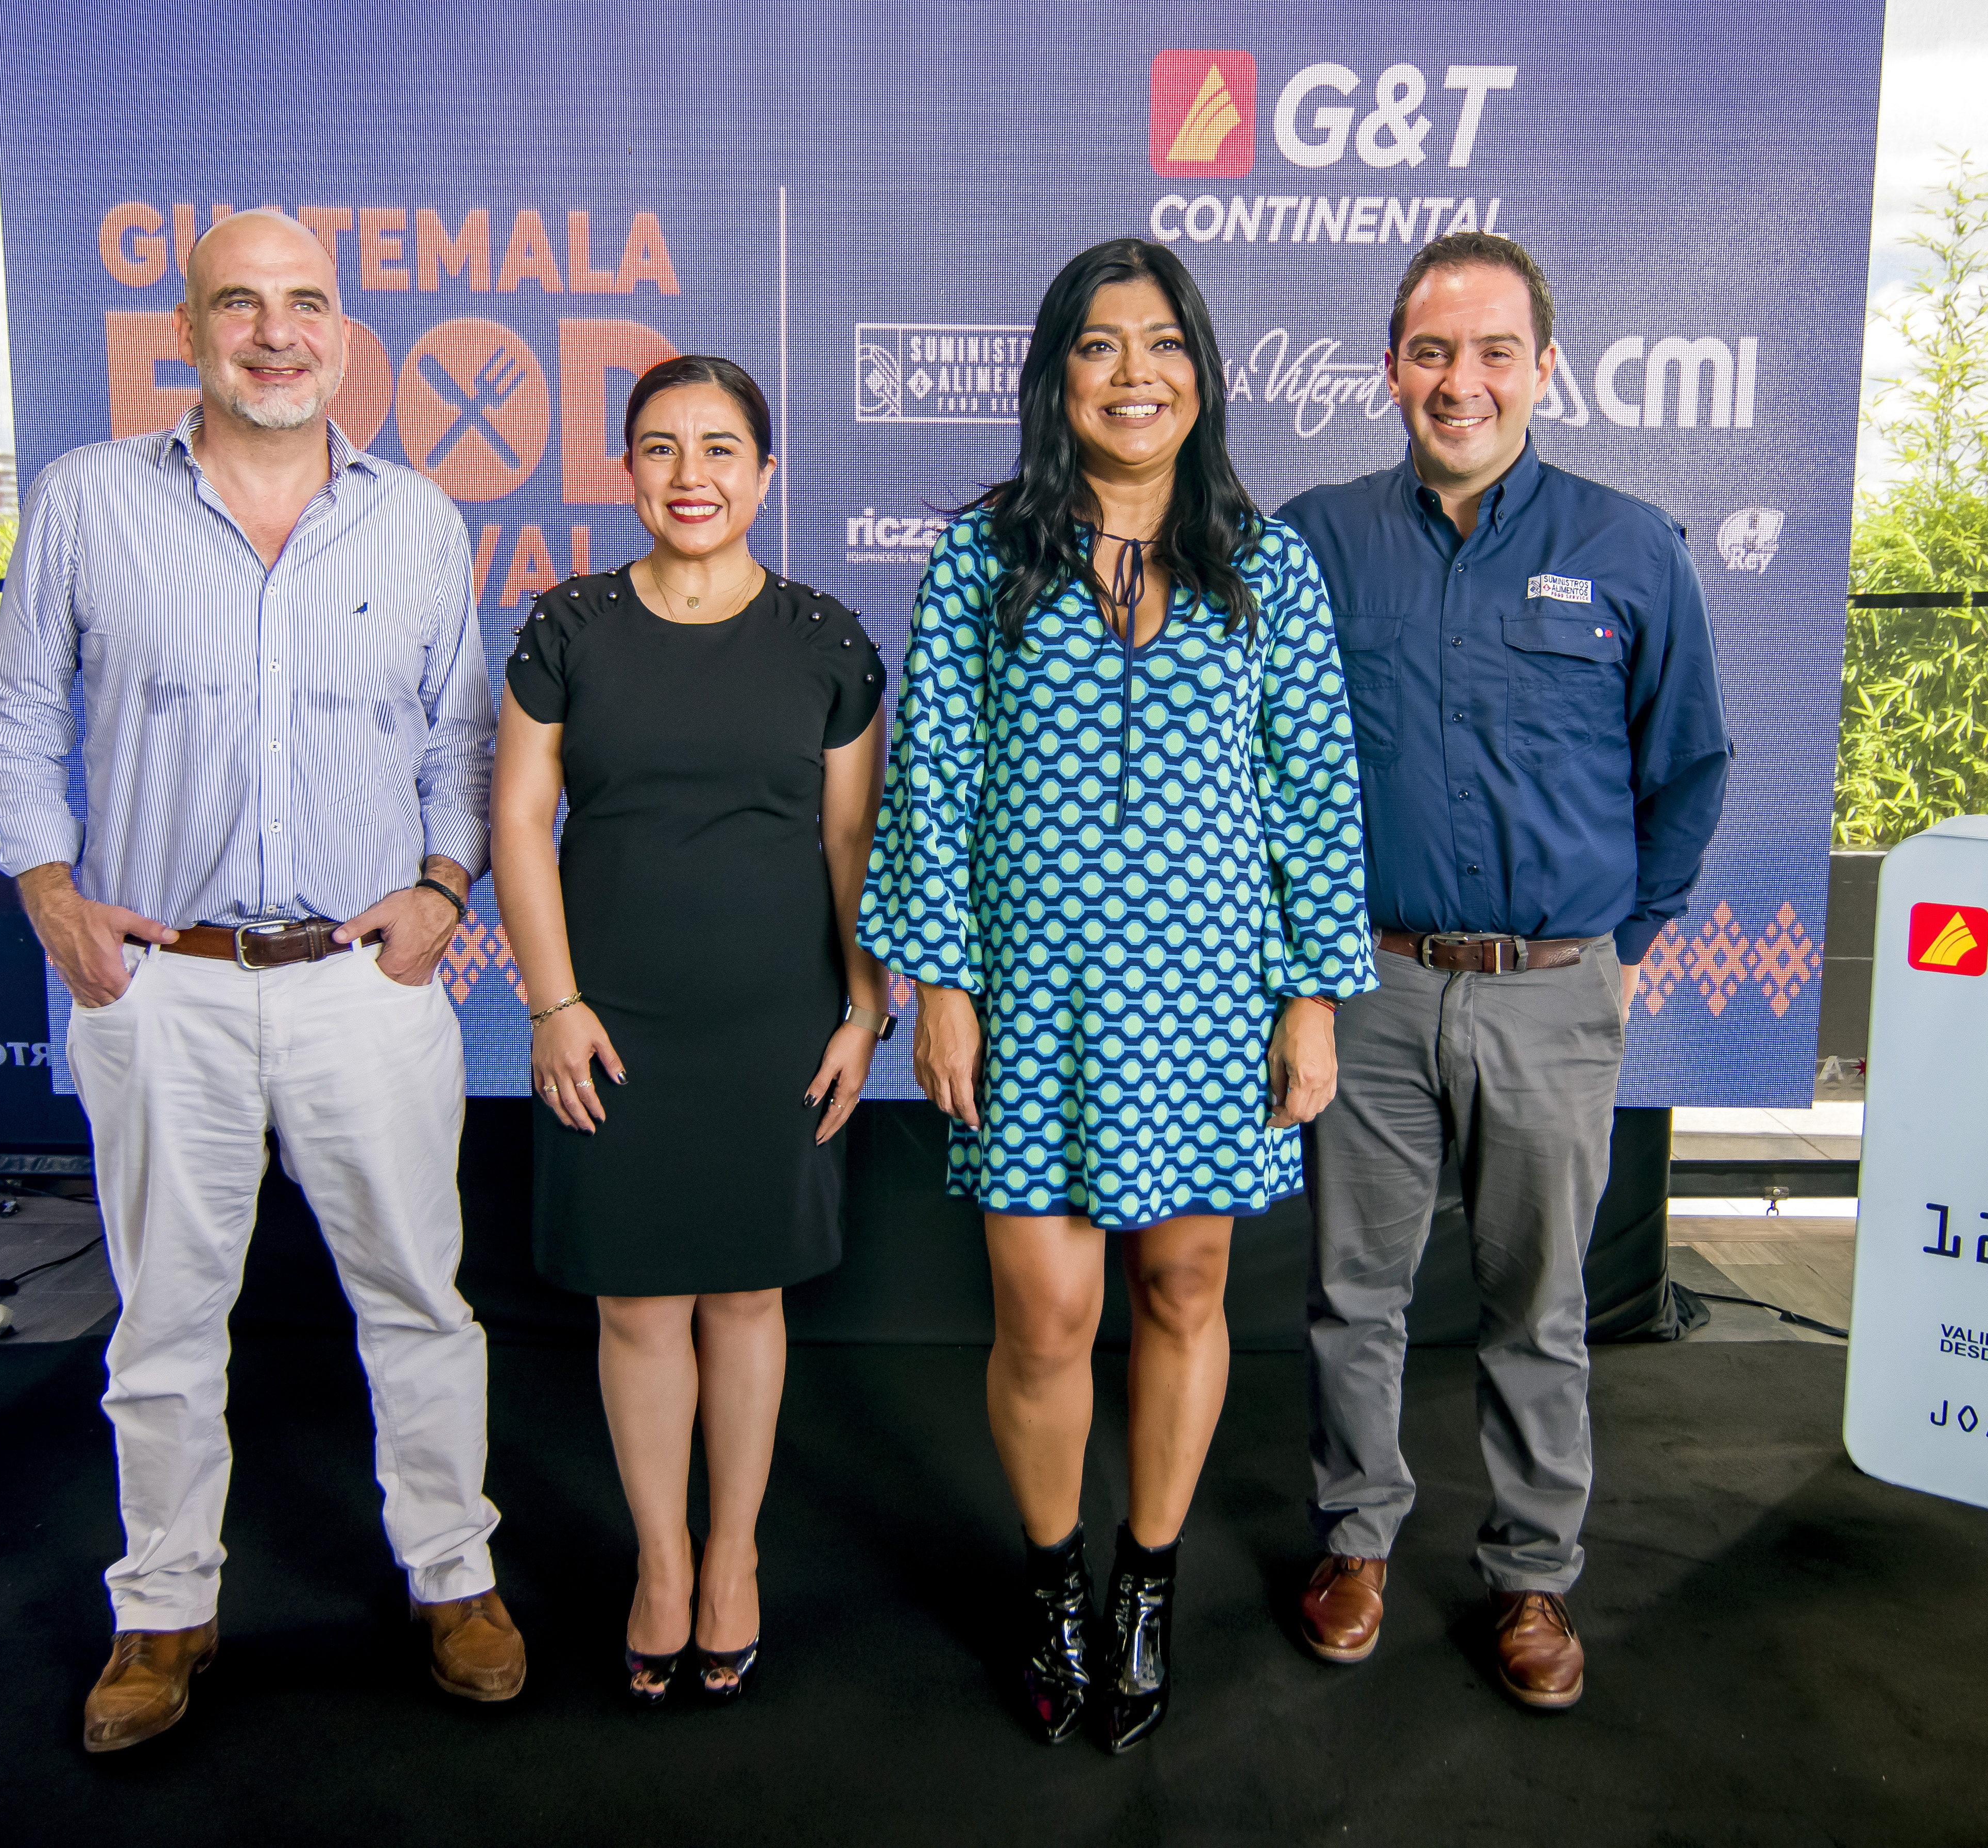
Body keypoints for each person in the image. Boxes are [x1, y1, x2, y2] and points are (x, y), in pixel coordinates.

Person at [0, 210, 518, 1752]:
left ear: (344, 329)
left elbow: (456, 738)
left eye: (305, 306)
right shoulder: (88, 503)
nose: (275, 334)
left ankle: (454, 1577)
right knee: (163, 1316)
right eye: (240, 305)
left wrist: (441, 886)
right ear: (189, 328)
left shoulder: (417, 518)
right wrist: (52, 896)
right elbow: (16, 715)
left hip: (363, 977)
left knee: (418, 1296)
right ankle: (162, 1610)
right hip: (164, 985)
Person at [861, 238, 1376, 1754]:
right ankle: (1050, 1587)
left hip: (1212, 995)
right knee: (1046, 1311)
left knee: (1186, 1289)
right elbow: (931, 787)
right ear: (1056, 375)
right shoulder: (982, 556)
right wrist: (939, 981)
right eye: (1099, 345)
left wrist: (1313, 997)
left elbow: (1313, 793)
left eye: (1162, 345)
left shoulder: (1265, 563)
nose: (1133, 373)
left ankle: (1145, 1580)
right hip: (1030, 997)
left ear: (1202, 377)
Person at [1272, 233, 1731, 1711]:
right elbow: (1265, 764)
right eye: (1430, 352)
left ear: (1545, 366)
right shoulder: (1319, 543)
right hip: (1372, 986)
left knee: (1537, 1300)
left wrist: (1613, 954)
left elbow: (1689, 769)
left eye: (1490, 352)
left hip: (1554, 989)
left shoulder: (1630, 547)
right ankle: (1358, 1539)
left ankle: (1532, 1578)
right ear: (1389, 367)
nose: (1458, 382)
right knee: (1357, 1290)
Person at [490, 355, 888, 1708]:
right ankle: (661, 1563)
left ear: (766, 475)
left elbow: (851, 840)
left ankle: (735, 1558)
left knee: (745, 1295)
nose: (692, 476)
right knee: (640, 1303)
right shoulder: (570, 629)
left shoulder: (829, 642)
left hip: (775, 1020)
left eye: (721, 449)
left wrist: (866, 1006)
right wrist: (552, 1003)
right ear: (627, 471)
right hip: (615, 1024)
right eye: (661, 449)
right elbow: (518, 832)